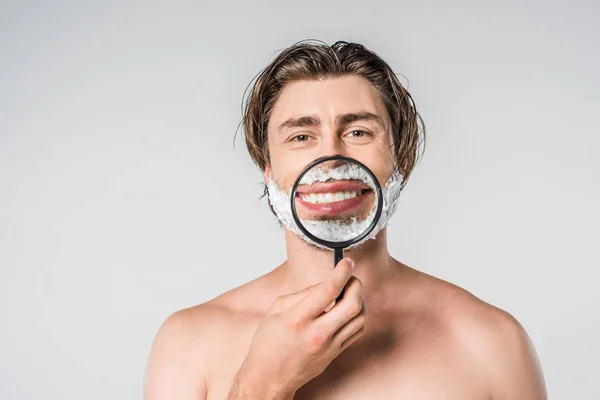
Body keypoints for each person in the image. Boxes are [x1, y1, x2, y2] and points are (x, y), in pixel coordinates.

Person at [143, 40, 547, 399]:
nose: (330, 157)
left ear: (401, 161)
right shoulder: (188, 343)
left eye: (358, 132)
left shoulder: (492, 343)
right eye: (301, 136)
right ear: (268, 170)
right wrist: (263, 383)